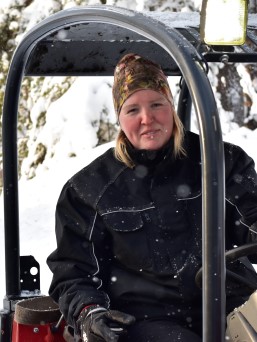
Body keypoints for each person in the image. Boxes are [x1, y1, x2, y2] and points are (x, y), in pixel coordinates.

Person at [47, 53, 257, 342]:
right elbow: (73, 272)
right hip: (148, 319)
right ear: (119, 118)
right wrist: (88, 310)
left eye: (156, 104)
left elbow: (253, 218)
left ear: (170, 107)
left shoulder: (221, 161)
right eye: (133, 109)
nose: (147, 119)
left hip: (231, 301)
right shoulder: (90, 190)